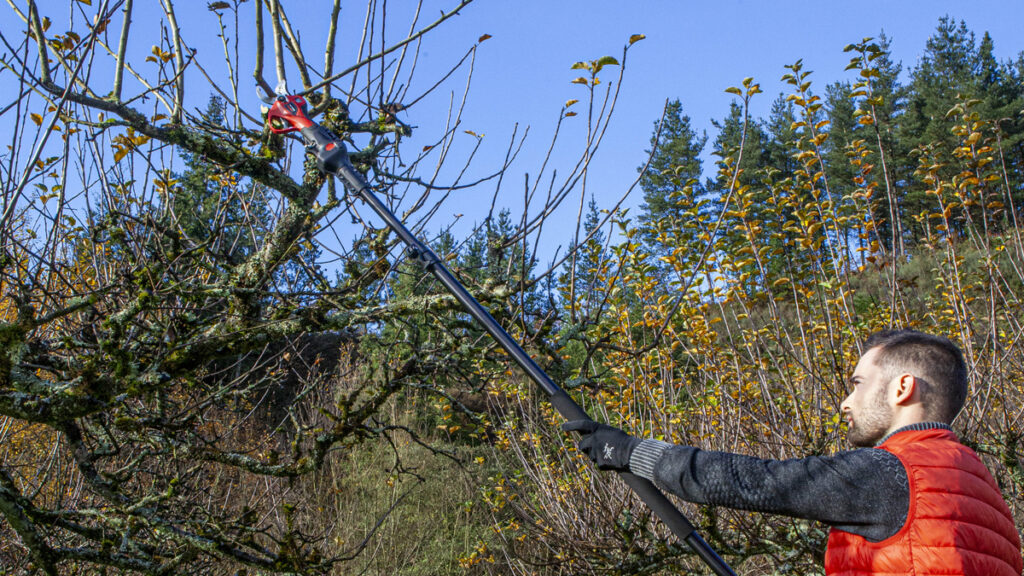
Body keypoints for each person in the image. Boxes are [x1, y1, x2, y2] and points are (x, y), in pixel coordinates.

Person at [564, 329, 1022, 575]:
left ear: (903, 387)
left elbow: (752, 481)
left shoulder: (892, 473)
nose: (846, 401)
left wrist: (628, 450)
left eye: (858, 384)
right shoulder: (978, 484)